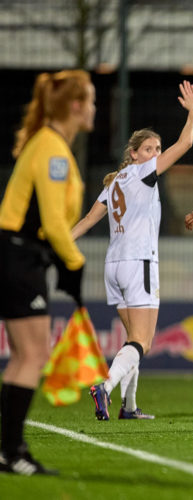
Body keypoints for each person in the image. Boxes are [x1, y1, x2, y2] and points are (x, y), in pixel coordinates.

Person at [70, 81, 193, 421]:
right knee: (143, 342)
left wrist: (62, 241)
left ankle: (129, 408)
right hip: (139, 262)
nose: (156, 153)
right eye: (149, 149)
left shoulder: (115, 181)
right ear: (134, 154)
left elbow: (87, 220)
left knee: (132, 339)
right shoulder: (143, 174)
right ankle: (105, 386)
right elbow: (186, 142)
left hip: (114, 265)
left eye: (158, 148)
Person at [0, 69, 95, 475]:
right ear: (75, 106)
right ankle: (10, 452)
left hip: (21, 255)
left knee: (27, 354)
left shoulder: (50, 144)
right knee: (31, 353)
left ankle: (10, 450)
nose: (94, 108)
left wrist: (62, 262)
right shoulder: (53, 150)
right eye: (90, 100)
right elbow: (55, 224)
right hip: (19, 256)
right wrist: (74, 264)